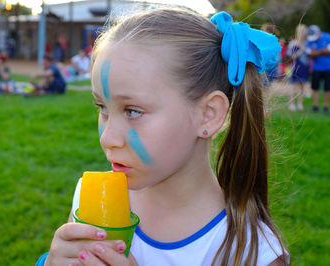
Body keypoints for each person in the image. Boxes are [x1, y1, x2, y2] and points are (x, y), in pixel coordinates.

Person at [36, 8, 289, 266]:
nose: (107, 138)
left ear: (208, 115)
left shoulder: (252, 254)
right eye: (102, 107)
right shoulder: (89, 205)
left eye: (133, 111)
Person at [306, 25, 330, 113]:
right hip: (316, 68)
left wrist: (316, 52)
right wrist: (322, 51)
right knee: (315, 87)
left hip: (328, 67)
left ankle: (325, 107)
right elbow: (309, 53)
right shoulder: (309, 39)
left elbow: (328, 51)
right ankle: (315, 106)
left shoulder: (328, 37)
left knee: (327, 88)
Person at [287, 24, 310, 111]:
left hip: (305, 67)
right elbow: (292, 56)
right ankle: (291, 104)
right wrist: (301, 50)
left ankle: (300, 104)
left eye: (305, 31)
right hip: (296, 67)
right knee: (293, 86)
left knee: (302, 86)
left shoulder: (308, 43)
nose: (303, 33)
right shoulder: (293, 43)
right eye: (302, 31)